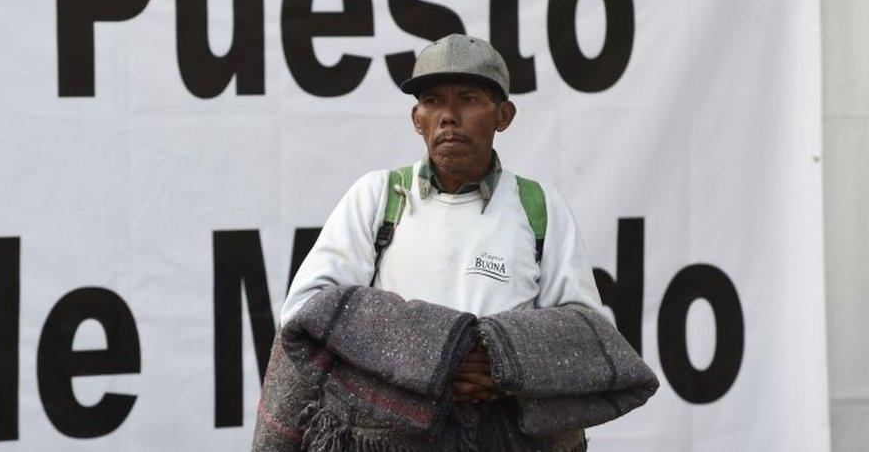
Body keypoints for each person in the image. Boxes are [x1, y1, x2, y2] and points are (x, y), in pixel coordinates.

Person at [253, 34, 654, 451]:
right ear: (416, 119)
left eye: (468, 98)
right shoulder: (377, 196)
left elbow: (584, 330)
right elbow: (305, 309)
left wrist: (505, 362)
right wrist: (441, 355)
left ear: (504, 115)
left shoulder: (539, 206)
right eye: (432, 101)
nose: (448, 116)